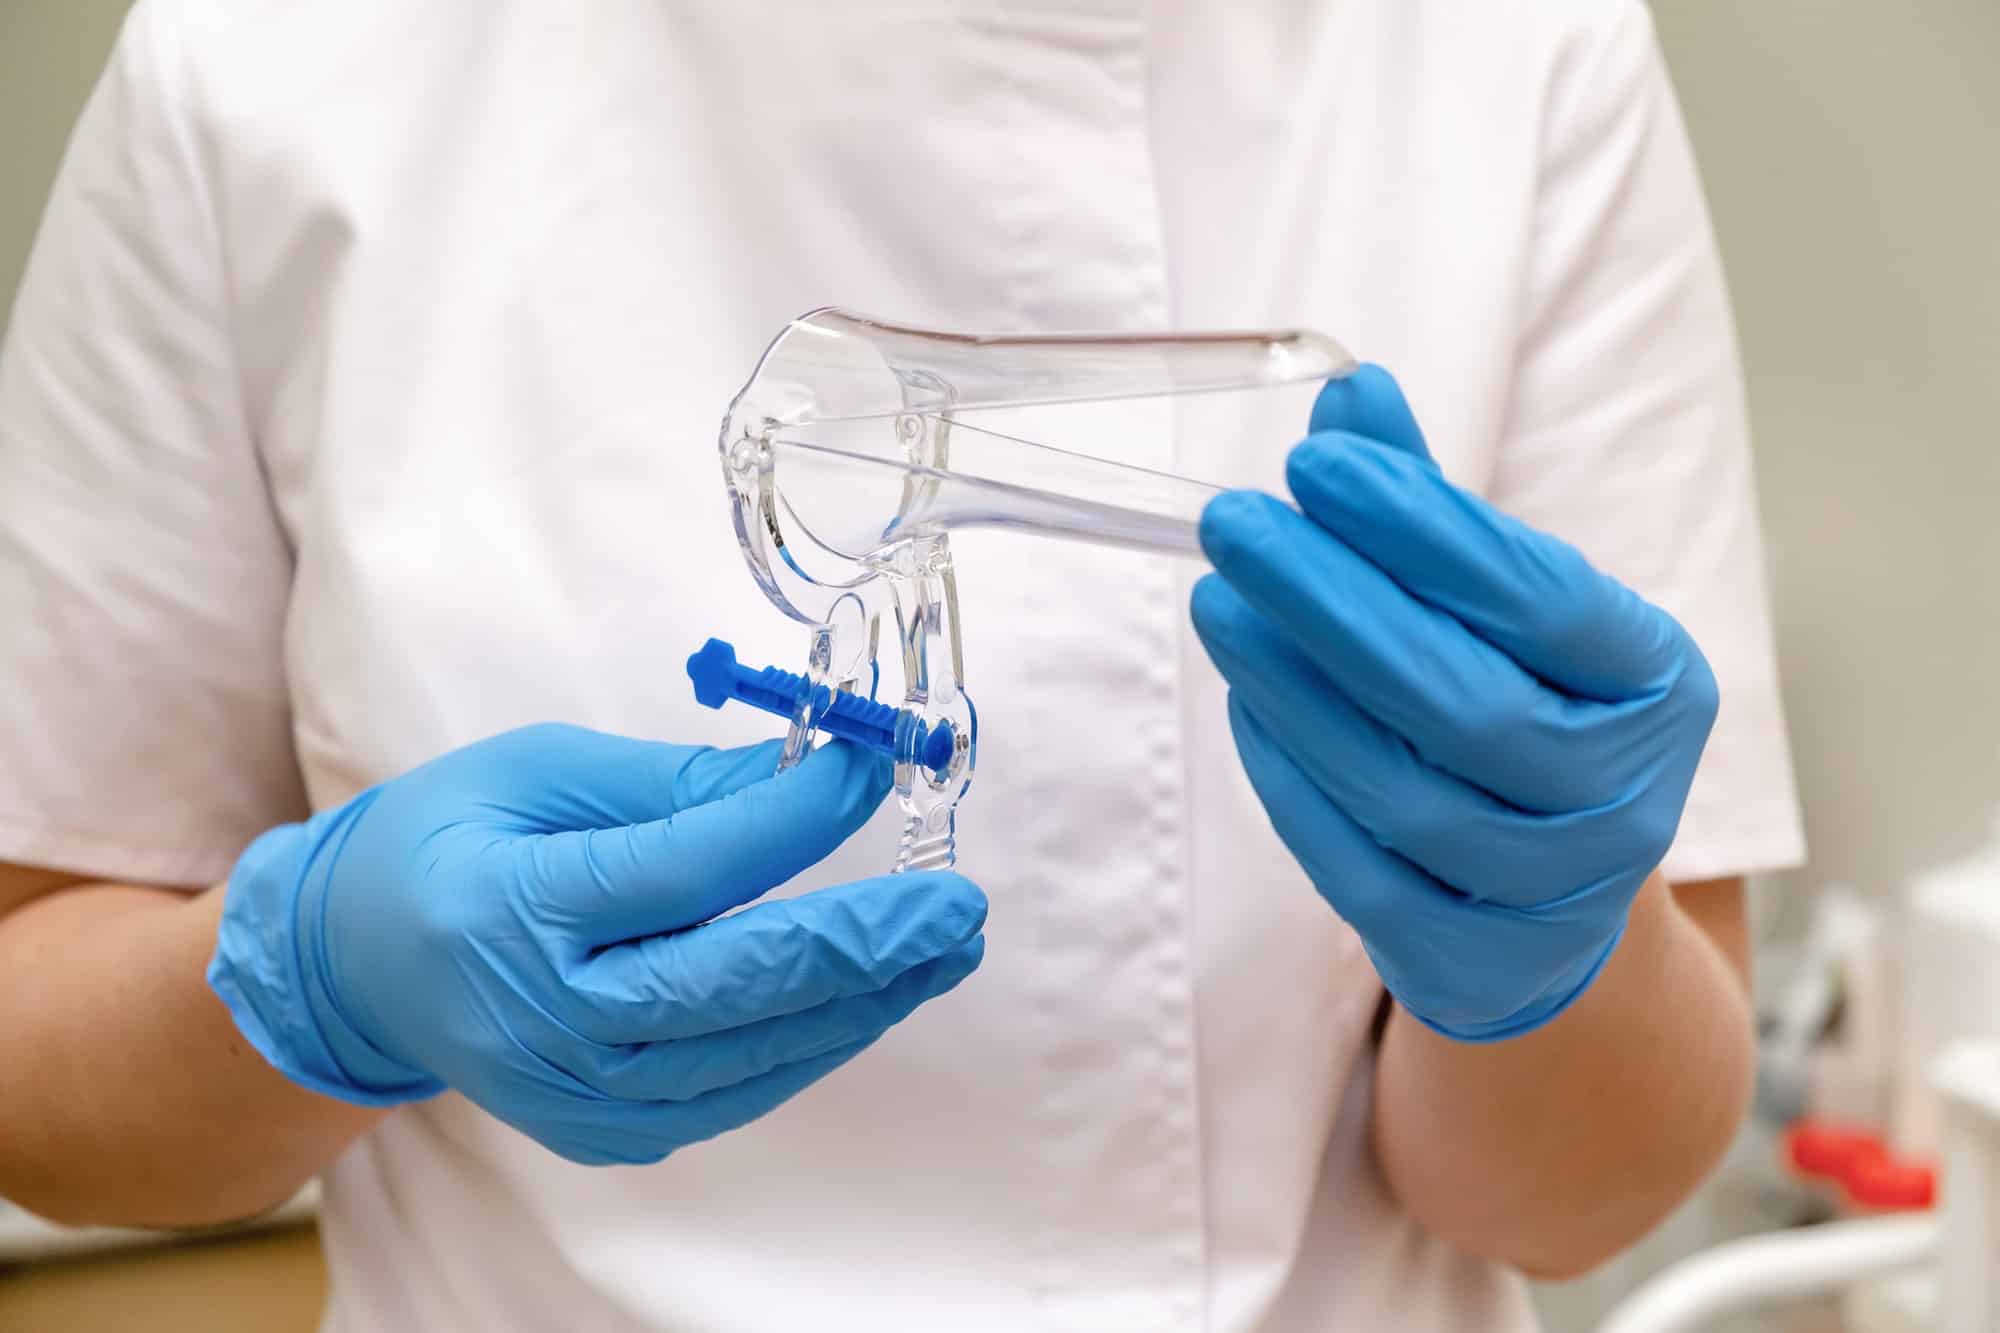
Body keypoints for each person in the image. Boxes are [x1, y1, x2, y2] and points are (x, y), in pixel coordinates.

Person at [0, 1, 1805, 1329]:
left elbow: (1580, 1192)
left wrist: (1550, 954)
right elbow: (38, 1065)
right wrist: (318, 978)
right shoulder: (268, 64)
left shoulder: (1509, 54)